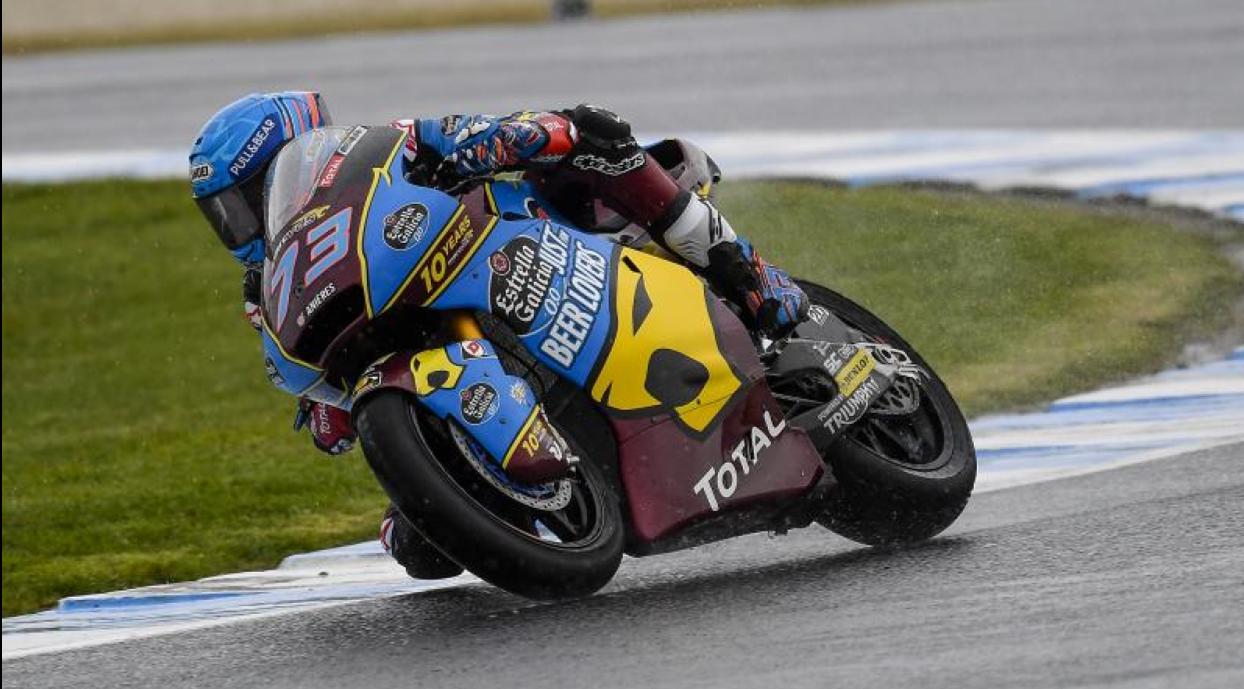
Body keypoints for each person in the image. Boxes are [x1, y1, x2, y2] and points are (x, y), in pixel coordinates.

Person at [189, 91, 808, 578]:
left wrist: (507, 140)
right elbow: (322, 401)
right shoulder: (269, 286)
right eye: (226, 214)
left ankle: (754, 279)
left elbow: (466, 133)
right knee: (418, 549)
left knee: (595, 132)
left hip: (535, 235)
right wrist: (331, 409)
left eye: (245, 198)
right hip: (439, 350)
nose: (241, 224)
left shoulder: (380, 154)